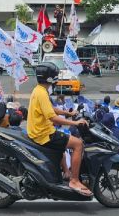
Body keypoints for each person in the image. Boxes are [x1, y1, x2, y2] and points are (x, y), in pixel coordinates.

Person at [27, 62, 90, 196]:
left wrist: (69, 113)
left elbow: (50, 109)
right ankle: (74, 180)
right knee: (78, 144)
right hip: (43, 134)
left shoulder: (38, 89)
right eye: (55, 75)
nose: (56, 77)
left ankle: (67, 172)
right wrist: (76, 123)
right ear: (49, 77)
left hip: (39, 131)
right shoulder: (42, 93)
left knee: (61, 143)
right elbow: (53, 118)